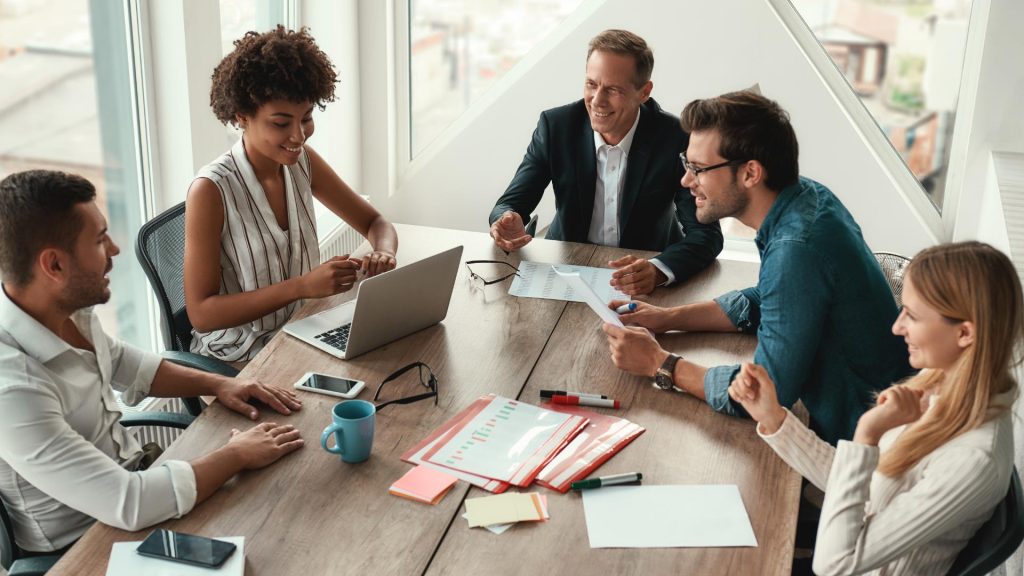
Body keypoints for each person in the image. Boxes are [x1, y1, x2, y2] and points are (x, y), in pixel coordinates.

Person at [0, 170, 304, 554]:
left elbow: (132, 365)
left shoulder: (66, 311)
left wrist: (220, 384)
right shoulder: (12, 390)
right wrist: (237, 454)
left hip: (136, 482)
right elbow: (130, 504)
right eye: (98, 240)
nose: (114, 249)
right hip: (84, 544)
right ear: (54, 266)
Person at [604, 91, 911, 444]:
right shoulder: (807, 198)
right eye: (686, 165)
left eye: (698, 169)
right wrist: (668, 318)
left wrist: (660, 364)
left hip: (858, 442)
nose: (686, 181)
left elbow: (763, 392)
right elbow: (770, 298)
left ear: (751, 172)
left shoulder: (796, 250)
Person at [729, 241, 1020, 575]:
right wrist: (773, 417)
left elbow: (835, 565)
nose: (897, 327)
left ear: (965, 333)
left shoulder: (972, 460)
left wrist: (868, 434)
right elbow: (858, 485)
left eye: (912, 315)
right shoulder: (939, 382)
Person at [186, 26, 398, 361]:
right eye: (281, 123)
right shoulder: (211, 190)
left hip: (304, 328)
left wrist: (383, 252)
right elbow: (202, 314)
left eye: (307, 118)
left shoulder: (302, 163)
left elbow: (375, 222)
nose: (299, 136)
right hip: (241, 356)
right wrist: (302, 287)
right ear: (242, 117)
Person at [489, 29, 722, 296]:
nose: (597, 100)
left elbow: (706, 236)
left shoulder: (675, 137)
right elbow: (508, 204)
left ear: (644, 92)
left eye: (612, 89)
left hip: (643, 273)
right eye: (591, 84)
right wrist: (505, 221)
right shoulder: (556, 127)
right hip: (565, 268)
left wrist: (658, 269)